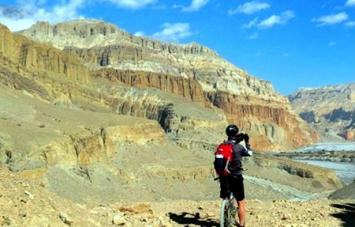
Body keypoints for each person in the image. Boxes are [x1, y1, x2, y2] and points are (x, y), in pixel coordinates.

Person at [220, 124, 252, 227]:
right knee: (241, 202)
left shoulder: (223, 146)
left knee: (227, 197)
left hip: (224, 176)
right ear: (236, 133)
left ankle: (226, 214)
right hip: (236, 176)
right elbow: (249, 153)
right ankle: (242, 225)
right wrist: (247, 142)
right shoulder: (239, 147)